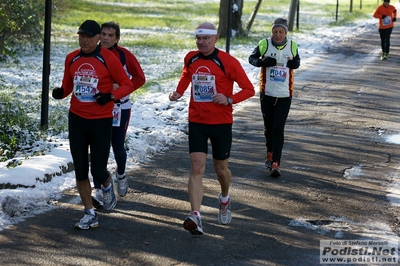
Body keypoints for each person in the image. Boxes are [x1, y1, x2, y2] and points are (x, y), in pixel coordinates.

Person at [169, 22, 255, 235]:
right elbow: (187, 75)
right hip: (197, 121)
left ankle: (224, 197)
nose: (201, 42)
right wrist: (179, 92)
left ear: (215, 39)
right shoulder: (191, 57)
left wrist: (229, 99)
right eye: (198, 38)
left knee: (221, 170)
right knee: (197, 167)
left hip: (221, 123)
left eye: (206, 38)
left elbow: (249, 89)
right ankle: (195, 215)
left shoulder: (227, 61)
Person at [52, 20, 135, 229]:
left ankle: (107, 184)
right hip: (77, 119)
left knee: (98, 171)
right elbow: (68, 85)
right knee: (80, 169)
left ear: (98, 37)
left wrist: (110, 96)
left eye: (89, 36)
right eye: (81, 36)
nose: (84, 40)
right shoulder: (72, 57)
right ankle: (89, 213)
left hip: (101, 121)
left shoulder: (108, 58)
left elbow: (128, 84)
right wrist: (61, 93)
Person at [91, 21, 146, 208]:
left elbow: (139, 78)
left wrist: (122, 88)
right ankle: (98, 189)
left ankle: (120, 175)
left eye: (110, 35)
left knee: (117, 145)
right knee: (99, 149)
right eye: (103, 34)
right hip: (97, 107)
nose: (105, 38)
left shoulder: (124, 55)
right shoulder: (92, 53)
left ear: (117, 38)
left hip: (119, 108)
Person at [248, 18, 300, 177]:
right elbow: (252, 59)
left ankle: (276, 163)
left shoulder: (292, 45)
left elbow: (297, 61)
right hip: (267, 93)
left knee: (278, 128)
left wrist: (293, 65)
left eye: (281, 32)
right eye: (275, 31)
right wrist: (261, 62)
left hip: (285, 94)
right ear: (272, 32)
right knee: (268, 128)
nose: (278, 34)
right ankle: (269, 152)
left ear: (285, 33)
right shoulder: (264, 44)